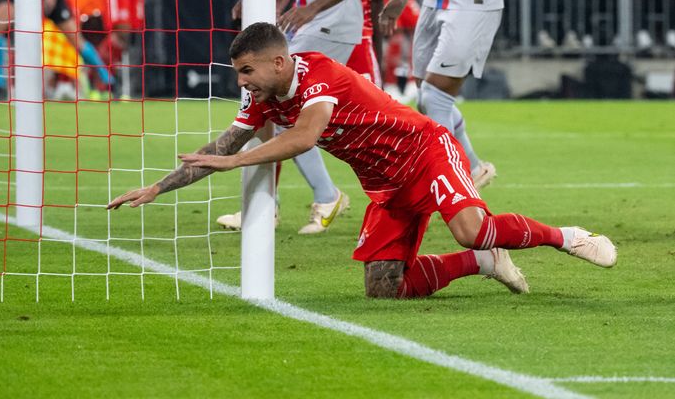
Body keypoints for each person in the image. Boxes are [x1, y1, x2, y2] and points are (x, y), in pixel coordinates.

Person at [108, 23, 617, 299]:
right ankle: (483, 263)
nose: (242, 82)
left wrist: (237, 164)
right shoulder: (262, 98)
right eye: (239, 74)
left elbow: (305, 138)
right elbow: (218, 150)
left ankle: (568, 237)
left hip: (424, 153)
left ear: (278, 62)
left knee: (468, 226)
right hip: (385, 183)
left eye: (247, 71)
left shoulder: (319, 75)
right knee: (384, 289)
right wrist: (158, 187)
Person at [217, 0, 370, 234]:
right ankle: (268, 204)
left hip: (332, 23)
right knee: (274, 110)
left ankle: (319, 197)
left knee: (283, 113)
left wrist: (311, 7)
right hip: (307, 21)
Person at [366, 0, 501, 188]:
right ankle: (472, 169)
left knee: (435, 96)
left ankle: (452, 186)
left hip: (473, 3)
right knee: (427, 98)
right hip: (434, 2)